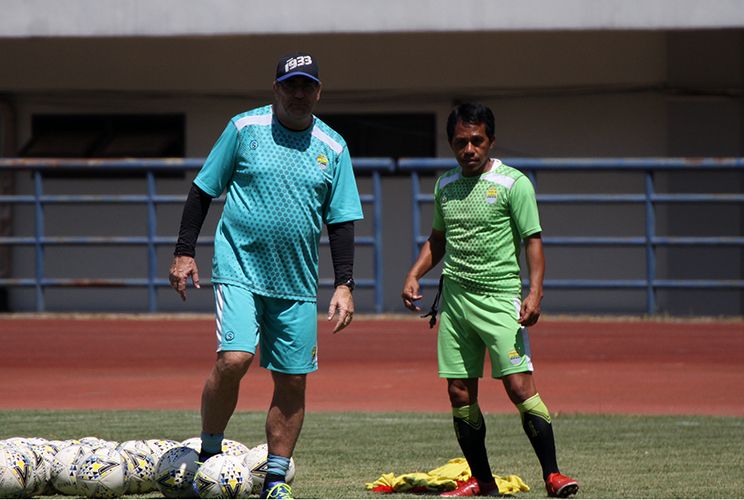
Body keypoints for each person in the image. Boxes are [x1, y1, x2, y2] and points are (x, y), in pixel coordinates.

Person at [168, 52, 363, 500]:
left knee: (292, 379)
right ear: (275, 88)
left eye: (306, 85)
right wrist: (183, 252)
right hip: (238, 266)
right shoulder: (244, 129)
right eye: (290, 85)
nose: (298, 93)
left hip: (296, 281)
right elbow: (203, 190)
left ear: (318, 91)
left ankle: (275, 481)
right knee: (234, 359)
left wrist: (345, 283)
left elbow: (342, 221)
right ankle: (209, 458)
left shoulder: (333, 147)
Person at [401, 102, 578, 498]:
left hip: (500, 301)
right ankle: (484, 484)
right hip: (456, 303)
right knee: (459, 393)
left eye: (477, 141)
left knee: (519, 386)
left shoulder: (515, 184)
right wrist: (414, 273)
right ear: (451, 143)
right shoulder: (445, 185)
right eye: (461, 142)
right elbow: (438, 240)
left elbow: (533, 240)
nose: (469, 149)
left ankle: (553, 474)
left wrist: (534, 292)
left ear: (491, 141)